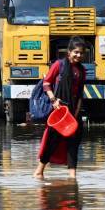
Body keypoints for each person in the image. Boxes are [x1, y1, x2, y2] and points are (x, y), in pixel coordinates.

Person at [34, 37, 86, 179]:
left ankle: (72, 177)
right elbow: (46, 83)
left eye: (81, 53)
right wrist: (53, 100)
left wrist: (75, 114)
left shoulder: (82, 70)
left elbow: (80, 94)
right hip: (59, 111)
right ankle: (39, 172)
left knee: (73, 145)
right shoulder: (59, 65)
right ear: (69, 52)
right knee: (52, 142)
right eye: (76, 52)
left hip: (73, 113)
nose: (78, 55)